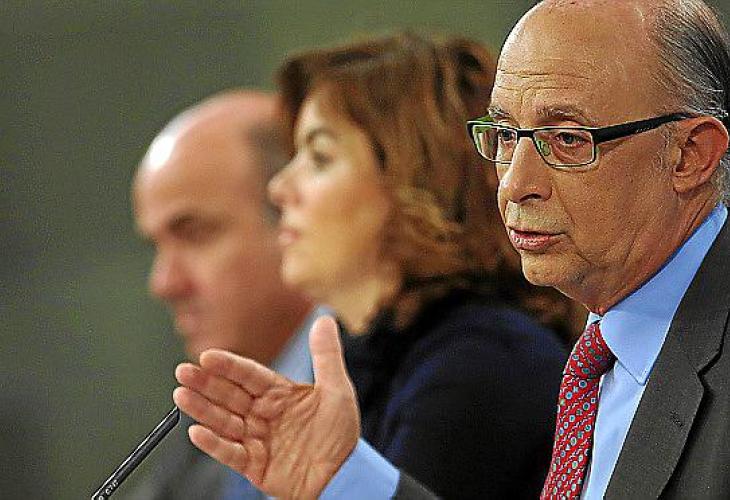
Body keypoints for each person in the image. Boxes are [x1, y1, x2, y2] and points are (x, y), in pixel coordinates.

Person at [174, 0, 730, 496]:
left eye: (567, 139)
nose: (513, 184)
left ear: (690, 156)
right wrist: (344, 482)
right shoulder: (599, 359)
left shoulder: (487, 365)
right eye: (505, 136)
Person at [174, 33, 571, 500]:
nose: (280, 188)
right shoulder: (362, 357)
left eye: (319, 157)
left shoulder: (485, 363)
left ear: (415, 180)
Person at [128, 90, 315, 499]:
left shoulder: (405, 392)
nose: (164, 283)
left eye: (193, 234)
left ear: (295, 215)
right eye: (156, 246)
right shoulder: (201, 438)